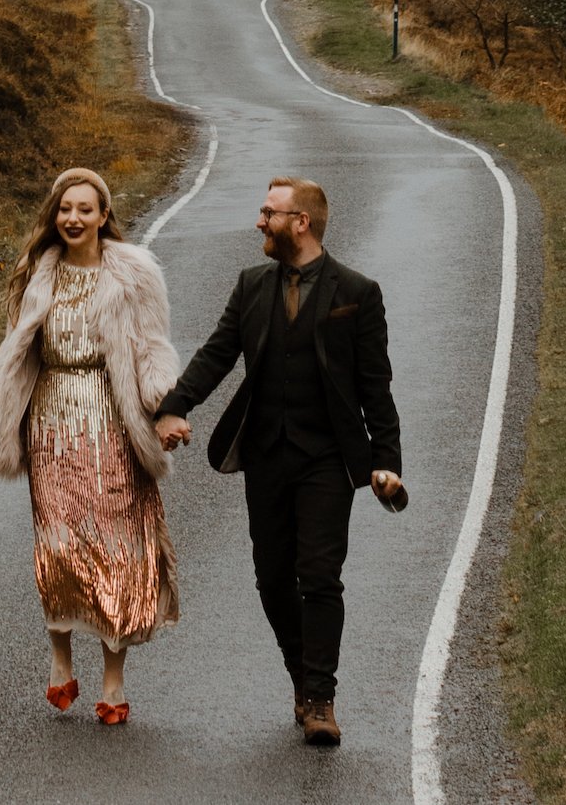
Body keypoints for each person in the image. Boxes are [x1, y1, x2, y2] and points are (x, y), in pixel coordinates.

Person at [152, 174, 404, 750]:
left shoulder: (357, 293)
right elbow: (216, 354)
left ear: (301, 222)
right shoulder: (251, 285)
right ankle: (300, 673)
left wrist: (386, 460)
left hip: (326, 459)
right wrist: (172, 407)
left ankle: (320, 699)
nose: (259, 222)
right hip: (266, 454)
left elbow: (376, 386)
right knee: (271, 580)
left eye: (269, 213)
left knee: (319, 577)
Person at [0, 165, 181, 725]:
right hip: (52, 422)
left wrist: (164, 410)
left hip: (113, 418)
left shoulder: (134, 274)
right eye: (64, 209)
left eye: (85, 209)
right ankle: (60, 659)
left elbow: (154, 349)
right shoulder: (36, 273)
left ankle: (113, 676)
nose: (73, 218)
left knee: (115, 545)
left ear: (105, 216)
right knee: (58, 546)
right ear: (54, 216)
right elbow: (13, 359)